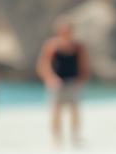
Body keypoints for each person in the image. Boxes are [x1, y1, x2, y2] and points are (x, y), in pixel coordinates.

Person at [36, 17, 89, 146]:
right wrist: (50, 79)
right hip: (57, 83)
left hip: (73, 82)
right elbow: (43, 65)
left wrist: (81, 80)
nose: (66, 33)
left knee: (75, 111)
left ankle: (75, 137)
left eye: (68, 30)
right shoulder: (52, 46)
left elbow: (85, 65)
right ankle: (56, 139)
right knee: (56, 112)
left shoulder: (78, 47)